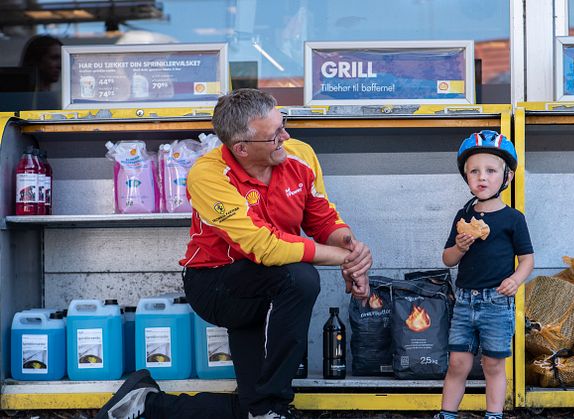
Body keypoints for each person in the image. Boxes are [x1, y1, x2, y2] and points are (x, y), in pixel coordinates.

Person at [96, 88, 372, 419]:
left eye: (283, 125)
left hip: (268, 284)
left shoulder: (300, 155)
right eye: (274, 136)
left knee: (252, 407)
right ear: (241, 148)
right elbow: (264, 246)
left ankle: (145, 403)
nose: (285, 137)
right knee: (301, 276)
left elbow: (322, 216)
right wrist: (341, 259)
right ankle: (275, 405)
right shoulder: (207, 174)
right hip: (218, 285)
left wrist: (351, 252)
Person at [436, 130, 534, 419]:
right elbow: (447, 259)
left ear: (507, 177)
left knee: (493, 365)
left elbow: (527, 259)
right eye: (474, 171)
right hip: (464, 302)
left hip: (497, 303)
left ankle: (494, 415)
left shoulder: (513, 218)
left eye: (491, 171)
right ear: (466, 177)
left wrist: (516, 279)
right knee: (457, 363)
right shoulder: (463, 216)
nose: (482, 177)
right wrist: (460, 246)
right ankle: (447, 414)